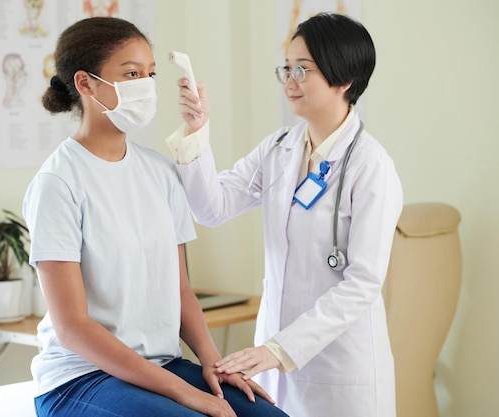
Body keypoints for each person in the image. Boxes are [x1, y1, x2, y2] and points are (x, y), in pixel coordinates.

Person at [22, 16, 290, 417]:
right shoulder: (57, 183)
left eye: (150, 74)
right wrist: (184, 394)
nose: (145, 85)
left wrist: (213, 366)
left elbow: (181, 291)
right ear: (85, 83)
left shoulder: (162, 172)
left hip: (160, 365)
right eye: (131, 74)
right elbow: (73, 327)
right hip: (81, 378)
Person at [167, 12, 402, 417]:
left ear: (343, 78)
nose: (290, 80)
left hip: (340, 370)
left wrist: (279, 350)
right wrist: (196, 131)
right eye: (287, 68)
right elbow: (212, 208)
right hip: (274, 362)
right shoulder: (278, 149)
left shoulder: (370, 166)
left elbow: (362, 284)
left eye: (302, 69)